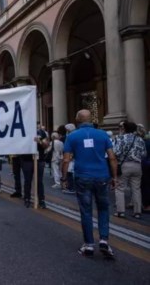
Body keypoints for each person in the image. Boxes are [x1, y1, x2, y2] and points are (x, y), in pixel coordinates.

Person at [62, 109, 117, 258]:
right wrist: (115, 177)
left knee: (86, 210)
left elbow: (66, 159)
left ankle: (89, 245)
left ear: (78, 119)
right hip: (102, 176)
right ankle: (104, 240)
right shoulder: (103, 134)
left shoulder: (72, 136)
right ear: (91, 119)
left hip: (82, 177)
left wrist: (64, 178)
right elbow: (112, 157)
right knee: (103, 209)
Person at [113, 121, 146, 219]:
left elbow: (116, 152)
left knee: (120, 188)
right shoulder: (140, 139)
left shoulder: (120, 138)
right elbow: (144, 153)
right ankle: (137, 212)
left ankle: (120, 211)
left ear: (124, 128)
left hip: (124, 165)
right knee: (136, 189)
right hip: (137, 165)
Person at [20, 128, 49, 208]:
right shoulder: (23, 130)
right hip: (26, 159)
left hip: (39, 160)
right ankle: (27, 198)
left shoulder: (41, 132)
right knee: (27, 180)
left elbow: (46, 145)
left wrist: (39, 141)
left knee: (39, 181)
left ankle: (41, 200)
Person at [62, 124, 76, 194]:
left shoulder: (70, 136)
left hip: (71, 157)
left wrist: (70, 156)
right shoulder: (72, 135)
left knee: (70, 172)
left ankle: (71, 188)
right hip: (73, 157)